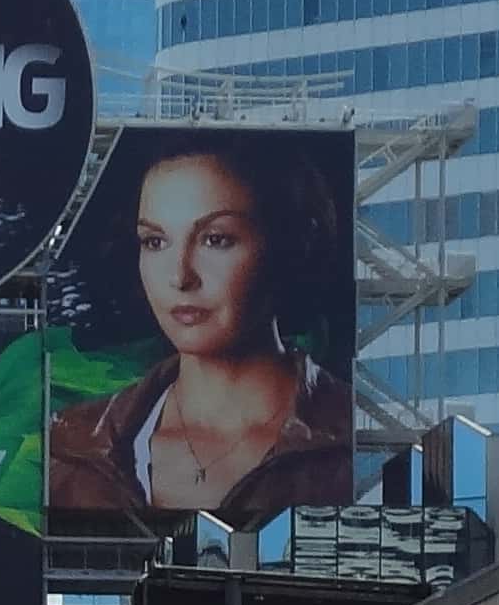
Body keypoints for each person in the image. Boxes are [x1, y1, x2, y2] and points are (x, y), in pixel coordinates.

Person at [43, 136, 356, 520]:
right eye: (155, 241)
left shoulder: (359, 442)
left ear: (292, 244)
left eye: (215, 239)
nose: (180, 276)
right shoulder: (71, 444)